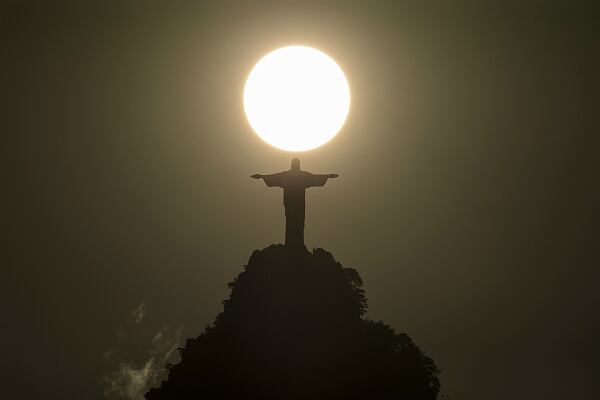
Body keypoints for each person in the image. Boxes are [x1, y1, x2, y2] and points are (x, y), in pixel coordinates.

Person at [252, 158, 338, 248]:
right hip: (292, 203)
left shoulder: (294, 175)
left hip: (298, 203)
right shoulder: (294, 175)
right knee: (292, 221)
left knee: (298, 222)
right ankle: (290, 244)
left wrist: (327, 176)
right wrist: (262, 176)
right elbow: (274, 176)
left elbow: (315, 177)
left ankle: (298, 244)